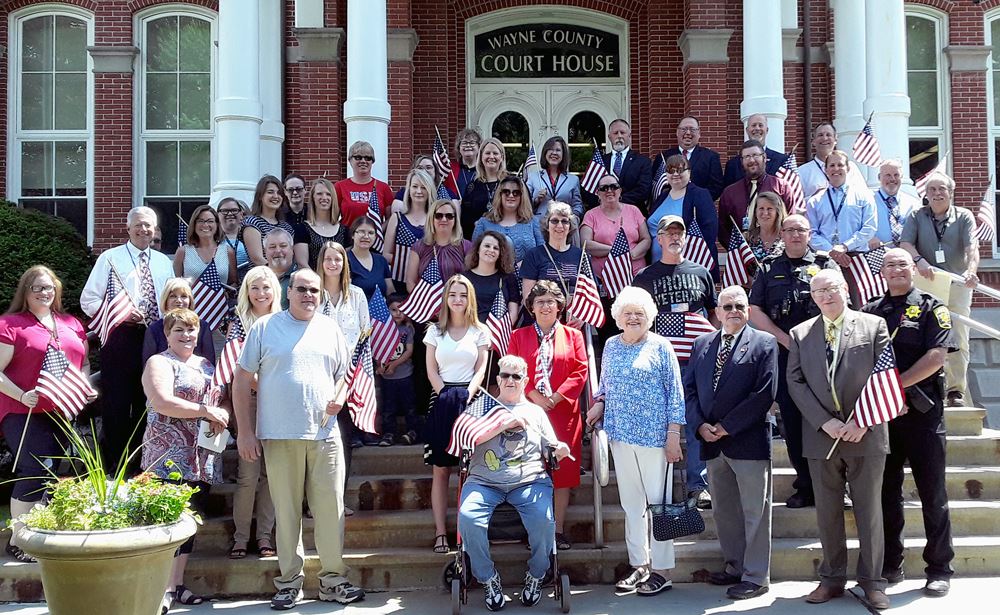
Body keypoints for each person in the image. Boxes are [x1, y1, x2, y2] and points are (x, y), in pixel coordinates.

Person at [234, 268, 365, 609]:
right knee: (287, 512)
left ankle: (333, 581)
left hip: (324, 434)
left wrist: (341, 396)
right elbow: (241, 379)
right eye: (302, 288)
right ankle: (289, 582)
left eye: (315, 290)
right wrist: (245, 431)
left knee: (330, 511)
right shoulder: (265, 328)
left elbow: (344, 377)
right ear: (288, 291)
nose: (309, 295)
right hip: (278, 435)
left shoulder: (330, 328)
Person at [787, 269, 891, 610]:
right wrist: (824, 422)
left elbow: (884, 378)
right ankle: (832, 579)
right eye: (818, 291)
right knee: (828, 513)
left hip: (866, 432)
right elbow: (795, 383)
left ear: (844, 289)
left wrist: (863, 420)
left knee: (869, 510)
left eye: (831, 288)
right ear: (812, 297)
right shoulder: (800, 333)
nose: (826, 295)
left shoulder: (874, 326)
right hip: (822, 437)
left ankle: (873, 582)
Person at [861, 248, 955, 597]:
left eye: (903, 263)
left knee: (933, 494)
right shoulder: (870, 311)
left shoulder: (933, 307)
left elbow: (936, 357)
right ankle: (890, 564)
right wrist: (883, 396)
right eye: (890, 265)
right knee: (886, 494)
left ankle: (939, 567)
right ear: (881, 272)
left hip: (923, 415)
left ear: (914, 269)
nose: (897, 269)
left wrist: (895, 387)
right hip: (883, 416)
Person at [586, 286, 684, 596]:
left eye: (639, 313)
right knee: (631, 505)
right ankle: (639, 563)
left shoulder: (661, 346)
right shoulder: (612, 346)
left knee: (659, 505)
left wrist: (673, 435)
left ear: (649, 317)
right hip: (620, 435)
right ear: (617, 317)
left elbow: (676, 394)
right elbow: (604, 387)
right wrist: (599, 403)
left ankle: (662, 570)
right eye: (627, 313)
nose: (633, 318)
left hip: (655, 437)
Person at [457, 354, 571, 612]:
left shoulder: (536, 412)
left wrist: (559, 449)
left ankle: (537, 573)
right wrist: (502, 424)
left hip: (529, 480)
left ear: (525, 381)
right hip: (484, 481)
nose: (510, 380)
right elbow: (465, 441)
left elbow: (550, 447)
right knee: (468, 518)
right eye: (505, 375)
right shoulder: (481, 407)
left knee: (544, 520)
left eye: (516, 376)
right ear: (498, 379)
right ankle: (487, 578)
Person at [684, 286, 777, 600]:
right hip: (711, 442)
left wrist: (726, 426)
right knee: (725, 512)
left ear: (748, 310)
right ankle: (734, 566)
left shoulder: (765, 343)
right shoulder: (701, 344)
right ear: (717, 311)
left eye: (740, 305)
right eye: (727, 306)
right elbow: (691, 391)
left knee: (755, 512)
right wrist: (700, 426)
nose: (733, 310)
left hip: (747, 440)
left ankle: (756, 576)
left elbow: (764, 393)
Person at [0, 266, 93, 562]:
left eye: (50, 287)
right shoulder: (10, 324)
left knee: (55, 474)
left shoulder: (71, 323)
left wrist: (85, 386)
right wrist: (21, 395)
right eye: (37, 288)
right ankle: (17, 540)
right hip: (21, 410)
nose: (45, 292)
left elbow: (84, 363)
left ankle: (41, 534)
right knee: (34, 469)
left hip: (61, 409)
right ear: (25, 292)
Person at [748, 214, 839, 509]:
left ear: (809, 233)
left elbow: (841, 305)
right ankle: (806, 486)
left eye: (801, 230)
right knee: (793, 421)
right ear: (781, 235)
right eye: (790, 230)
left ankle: (836, 486)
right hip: (785, 355)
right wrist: (784, 339)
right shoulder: (768, 268)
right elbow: (755, 310)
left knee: (829, 418)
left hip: (824, 355)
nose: (795, 235)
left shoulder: (826, 265)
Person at [141, 307, 229, 612]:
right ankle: (159, 588)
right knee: (167, 522)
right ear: (167, 334)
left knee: (190, 521)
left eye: (191, 329)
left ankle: (176, 585)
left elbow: (219, 400)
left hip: (200, 456)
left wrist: (222, 414)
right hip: (167, 456)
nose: (186, 335)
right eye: (179, 330)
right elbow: (162, 402)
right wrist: (205, 412)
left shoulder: (206, 364)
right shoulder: (159, 362)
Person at [632, 215, 719, 508]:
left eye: (678, 232)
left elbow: (713, 314)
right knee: (659, 426)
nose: (673, 237)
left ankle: (699, 486)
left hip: (696, 361)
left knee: (696, 421)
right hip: (658, 362)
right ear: (658, 239)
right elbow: (636, 320)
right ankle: (657, 489)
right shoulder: (645, 277)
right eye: (668, 232)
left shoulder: (701, 273)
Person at [81, 205, 172, 472]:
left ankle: (143, 465)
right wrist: (118, 313)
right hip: (120, 336)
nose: (144, 230)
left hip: (155, 337)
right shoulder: (110, 258)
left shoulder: (162, 261)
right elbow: (88, 300)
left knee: (147, 401)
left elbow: (169, 301)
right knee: (117, 403)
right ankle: (114, 466)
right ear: (128, 227)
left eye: (149, 225)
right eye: (139, 224)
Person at [508, 281, 587, 549]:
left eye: (551, 301)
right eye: (540, 301)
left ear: (559, 307)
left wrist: (555, 397)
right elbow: (512, 370)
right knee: (531, 471)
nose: (545, 306)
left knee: (561, 472)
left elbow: (580, 370)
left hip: (563, 413)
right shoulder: (518, 337)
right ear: (531, 307)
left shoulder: (573, 336)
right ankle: (533, 530)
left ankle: (558, 530)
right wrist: (535, 396)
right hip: (529, 412)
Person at [423, 275, 490, 554]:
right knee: (441, 470)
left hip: (471, 401)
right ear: (446, 298)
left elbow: (481, 369)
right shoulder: (434, 332)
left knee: (470, 470)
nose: (458, 299)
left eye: (463, 294)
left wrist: (467, 395)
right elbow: (430, 369)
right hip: (441, 399)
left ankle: (467, 532)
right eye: (453, 294)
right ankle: (441, 532)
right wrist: (445, 394)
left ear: (470, 298)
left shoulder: (480, 331)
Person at [900, 172, 979, 407]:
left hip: (956, 283)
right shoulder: (916, 215)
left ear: (950, 192)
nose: (937, 194)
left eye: (941, 189)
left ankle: (955, 391)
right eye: (932, 189)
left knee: (958, 335)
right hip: (927, 282)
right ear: (926, 194)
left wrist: (971, 270)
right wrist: (918, 260)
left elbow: (971, 247)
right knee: (922, 334)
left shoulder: (964, 216)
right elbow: (905, 243)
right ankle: (925, 383)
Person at [227, 266, 282, 562]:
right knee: (247, 476)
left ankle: (264, 535)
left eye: (266, 287)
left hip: (276, 406)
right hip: (248, 402)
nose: (261, 293)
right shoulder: (238, 324)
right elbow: (235, 370)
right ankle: (240, 537)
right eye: (255, 288)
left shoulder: (283, 322)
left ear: (275, 290)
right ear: (247, 292)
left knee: (270, 476)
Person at [317, 241, 371, 450]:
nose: (332, 263)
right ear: (321, 262)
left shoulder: (356, 295)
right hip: (322, 369)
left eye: (337, 259)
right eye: (328, 259)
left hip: (352, 371)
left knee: (346, 434)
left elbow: (365, 334)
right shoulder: (313, 294)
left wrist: (364, 371)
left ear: (344, 263)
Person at [520, 202, 589, 327]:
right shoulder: (534, 255)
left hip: (572, 324)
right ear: (547, 225)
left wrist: (582, 317)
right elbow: (528, 298)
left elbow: (589, 294)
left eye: (565, 221)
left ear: (570, 226)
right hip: (541, 323)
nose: (560, 225)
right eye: (555, 221)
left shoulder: (581, 256)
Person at [805, 150, 876, 268]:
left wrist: (845, 246)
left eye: (840, 165)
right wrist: (832, 251)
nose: (836, 168)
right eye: (832, 165)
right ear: (825, 170)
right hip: (825, 259)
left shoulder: (864, 196)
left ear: (848, 168)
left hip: (856, 257)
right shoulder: (815, 201)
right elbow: (811, 233)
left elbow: (869, 228)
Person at [647, 154, 718, 272]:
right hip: (656, 266)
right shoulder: (662, 196)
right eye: (670, 170)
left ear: (689, 172)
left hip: (686, 267)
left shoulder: (700, 195)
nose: (675, 174)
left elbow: (709, 231)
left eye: (680, 170)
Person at [719, 139, 797, 243]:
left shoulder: (781, 187)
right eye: (747, 157)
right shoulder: (729, 193)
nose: (751, 160)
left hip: (776, 253)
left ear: (764, 158)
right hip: (740, 254)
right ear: (742, 162)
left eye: (755, 155)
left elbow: (790, 221)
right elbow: (723, 229)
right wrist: (737, 250)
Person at [581, 174, 651, 284]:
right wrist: (617, 251)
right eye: (604, 188)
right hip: (603, 279)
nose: (609, 190)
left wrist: (631, 255)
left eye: (613, 187)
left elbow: (646, 239)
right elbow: (586, 244)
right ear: (598, 193)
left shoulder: (634, 210)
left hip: (635, 276)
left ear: (620, 190)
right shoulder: (590, 215)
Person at [141, 277, 215, 365]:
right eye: (173, 296)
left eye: (184, 296)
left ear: (190, 300)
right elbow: (147, 364)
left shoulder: (203, 326)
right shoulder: (154, 329)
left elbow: (210, 363)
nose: (179, 301)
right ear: (166, 300)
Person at [406, 199, 473, 295]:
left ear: (455, 220)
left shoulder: (466, 246)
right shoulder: (418, 247)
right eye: (438, 216)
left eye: (449, 216)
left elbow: (470, 281)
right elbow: (410, 282)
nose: (444, 219)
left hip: (457, 304)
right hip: (427, 305)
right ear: (431, 219)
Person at [473, 176, 544, 262]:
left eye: (516, 192)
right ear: (500, 194)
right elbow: (474, 255)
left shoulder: (533, 222)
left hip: (526, 274)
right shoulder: (483, 223)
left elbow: (542, 254)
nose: (511, 195)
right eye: (506, 192)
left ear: (522, 196)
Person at [378, 294, 418, 446]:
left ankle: (412, 432)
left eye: (401, 310)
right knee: (388, 408)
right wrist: (380, 365)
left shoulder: (407, 330)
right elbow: (378, 349)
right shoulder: (382, 330)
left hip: (405, 376)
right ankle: (389, 434)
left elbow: (408, 352)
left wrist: (394, 365)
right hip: (387, 378)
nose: (398, 313)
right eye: (393, 310)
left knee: (410, 407)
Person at [657, 116, 724, 201]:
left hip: (699, 207)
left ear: (699, 133)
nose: (688, 133)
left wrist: (699, 201)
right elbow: (657, 187)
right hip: (671, 207)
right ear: (677, 132)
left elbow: (716, 187)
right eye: (684, 129)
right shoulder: (663, 157)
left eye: (692, 129)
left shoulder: (711, 157)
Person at [464, 231, 521, 328]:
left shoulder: (509, 278)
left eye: (496, 248)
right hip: (470, 333)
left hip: (499, 336)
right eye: (487, 246)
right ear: (478, 249)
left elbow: (513, 314)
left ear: (500, 253)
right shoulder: (464, 278)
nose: (491, 250)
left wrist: (499, 334)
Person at [383, 169, 431, 286]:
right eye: (415, 186)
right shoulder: (397, 218)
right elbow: (386, 254)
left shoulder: (434, 219)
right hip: (399, 282)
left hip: (426, 285)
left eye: (423, 187)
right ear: (409, 190)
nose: (419, 191)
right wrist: (405, 259)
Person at [797, 122, 868, 199]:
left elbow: (865, 196)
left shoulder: (851, 168)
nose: (824, 138)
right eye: (820, 135)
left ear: (835, 140)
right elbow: (795, 206)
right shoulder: (802, 172)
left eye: (828, 135)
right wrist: (814, 198)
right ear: (813, 141)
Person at [333, 140, 394, 228]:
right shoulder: (340, 187)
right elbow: (333, 218)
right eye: (358, 157)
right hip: (347, 239)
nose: (363, 161)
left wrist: (378, 232)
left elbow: (391, 219)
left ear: (372, 161)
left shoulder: (383, 188)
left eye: (368, 158)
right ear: (350, 160)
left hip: (374, 239)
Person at [174, 204, 236, 287]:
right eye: (201, 221)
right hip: (191, 299)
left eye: (210, 221)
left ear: (217, 224)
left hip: (221, 299)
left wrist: (227, 292)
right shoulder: (183, 252)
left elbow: (234, 283)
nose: (205, 225)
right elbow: (174, 283)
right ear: (194, 224)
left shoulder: (228, 251)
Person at [242, 175, 297, 267]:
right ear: (260, 196)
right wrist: (276, 275)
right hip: (261, 277)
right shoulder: (252, 223)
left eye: (279, 193)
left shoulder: (287, 227)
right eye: (270, 192)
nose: (276, 196)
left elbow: (290, 257)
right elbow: (257, 259)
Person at [524, 135, 584, 221]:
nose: (554, 153)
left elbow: (578, 205)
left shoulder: (573, 180)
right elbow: (524, 204)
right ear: (545, 153)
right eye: (551, 149)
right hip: (538, 226)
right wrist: (536, 200)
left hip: (563, 227)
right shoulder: (533, 177)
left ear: (563, 154)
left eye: (558, 150)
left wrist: (572, 219)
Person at [294, 177, 349, 270]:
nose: (324, 197)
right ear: (313, 197)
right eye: (319, 194)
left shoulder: (344, 231)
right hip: (312, 282)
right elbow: (302, 264)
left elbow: (346, 265)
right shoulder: (302, 229)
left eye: (328, 194)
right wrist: (318, 282)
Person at [461, 137, 510, 239]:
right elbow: (465, 218)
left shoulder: (511, 183)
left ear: (502, 157)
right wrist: (475, 223)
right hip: (480, 239)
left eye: (495, 153)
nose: (491, 156)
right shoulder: (472, 187)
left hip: (507, 236)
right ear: (481, 157)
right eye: (487, 153)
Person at [723, 113, 790, 186]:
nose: (757, 128)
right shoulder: (733, 164)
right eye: (753, 125)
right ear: (747, 130)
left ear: (767, 130)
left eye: (760, 125)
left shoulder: (782, 161)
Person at [600, 119, 652, 212]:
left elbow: (644, 190)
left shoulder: (643, 161)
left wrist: (617, 201)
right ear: (609, 137)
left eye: (622, 132)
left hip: (633, 213)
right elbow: (589, 190)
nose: (619, 136)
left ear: (629, 136)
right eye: (615, 133)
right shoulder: (600, 162)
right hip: (603, 213)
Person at [870, 159, 919, 249]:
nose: (892, 179)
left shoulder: (913, 203)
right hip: (877, 254)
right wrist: (869, 238)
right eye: (888, 175)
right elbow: (856, 226)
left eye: (896, 175)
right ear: (879, 177)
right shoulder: (868, 201)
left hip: (906, 254)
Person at [347, 217, 394, 301]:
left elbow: (390, 291)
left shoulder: (381, 260)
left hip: (379, 312)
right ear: (353, 235)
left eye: (371, 233)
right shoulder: (344, 259)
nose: (366, 236)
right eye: (361, 232)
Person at [391, 155, 459, 210]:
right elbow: (398, 215)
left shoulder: (448, 194)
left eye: (428, 167)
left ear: (435, 171)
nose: (424, 171)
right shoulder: (403, 193)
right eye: (420, 168)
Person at [746, 192, 787, 263]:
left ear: (778, 212)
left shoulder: (787, 236)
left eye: (769, 209)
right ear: (755, 212)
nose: (765, 213)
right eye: (761, 208)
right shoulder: (748, 237)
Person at [219, 197, 251, 279]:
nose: (230, 214)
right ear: (217, 215)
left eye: (234, 210)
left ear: (241, 213)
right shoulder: (212, 238)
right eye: (225, 211)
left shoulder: (251, 236)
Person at [264, 228, 297, 307]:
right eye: (272, 247)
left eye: (283, 246)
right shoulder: (256, 277)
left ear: (292, 250)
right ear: (265, 251)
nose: (278, 250)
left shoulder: (302, 278)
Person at [452, 128, 483, 198]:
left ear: (479, 147)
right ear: (458, 147)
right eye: (464, 143)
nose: (468, 145)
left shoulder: (484, 169)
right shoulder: (451, 170)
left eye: (472, 143)